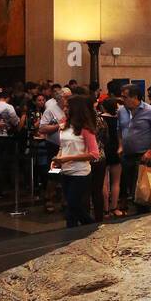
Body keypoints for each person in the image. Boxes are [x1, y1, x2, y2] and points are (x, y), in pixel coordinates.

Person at [51, 94, 100, 228]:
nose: (65, 109)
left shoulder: (85, 129)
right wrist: (58, 158)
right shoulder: (64, 126)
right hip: (66, 171)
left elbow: (95, 153)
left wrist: (69, 158)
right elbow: (63, 146)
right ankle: (83, 231)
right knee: (73, 208)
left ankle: (90, 228)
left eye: (67, 106)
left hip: (80, 173)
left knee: (73, 206)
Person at [118, 86, 151, 211]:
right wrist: (121, 145)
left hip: (143, 155)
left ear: (135, 97)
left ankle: (143, 214)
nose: (122, 99)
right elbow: (120, 129)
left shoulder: (150, 111)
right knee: (131, 188)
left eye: (125, 97)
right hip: (127, 155)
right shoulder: (122, 111)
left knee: (143, 189)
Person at [0, 87, 20, 198]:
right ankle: (4, 187)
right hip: (6, 136)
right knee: (5, 163)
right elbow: (15, 121)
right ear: (7, 98)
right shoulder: (9, 107)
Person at [98, 95, 123, 218]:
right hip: (116, 150)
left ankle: (105, 210)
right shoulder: (118, 119)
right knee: (116, 182)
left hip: (103, 150)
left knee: (104, 182)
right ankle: (114, 207)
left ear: (103, 107)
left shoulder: (100, 119)